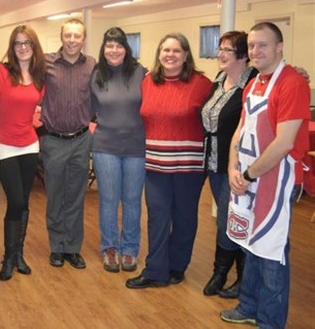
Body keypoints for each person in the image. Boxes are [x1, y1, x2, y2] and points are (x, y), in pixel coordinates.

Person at [220, 22, 310, 328]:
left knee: (271, 251)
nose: (256, 51)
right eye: (252, 45)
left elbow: (284, 143)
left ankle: (270, 321)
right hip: (248, 176)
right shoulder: (254, 82)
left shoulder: (293, 83)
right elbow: (240, 130)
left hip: (276, 179)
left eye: (263, 45)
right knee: (249, 242)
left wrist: (247, 174)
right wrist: (233, 167)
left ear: (280, 47)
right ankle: (249, 305)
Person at [126, 33, 212, 289]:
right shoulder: (147, 82)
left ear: (186, 55)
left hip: (189, 165)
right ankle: (155, 269)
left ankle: (177, 266)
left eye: (176, 50)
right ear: (159, 53)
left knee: (184, 216)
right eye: (166, 50)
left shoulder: (202, 83)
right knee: (157, 217)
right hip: (155, 163)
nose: (170, 55)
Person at [0, 25, 46, 280]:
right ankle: (8, 257)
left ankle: (18, 254)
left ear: (34, 46)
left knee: (24, 200)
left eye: (27, 43)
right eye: (18, 43)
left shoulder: (40, 76)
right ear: (12, 47)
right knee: (16, 201)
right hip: (4, 144)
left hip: (30, 143)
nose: (22, 47)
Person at [201, 31, 255, 297]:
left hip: (237, 168)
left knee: (232, 220)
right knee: (226, 220)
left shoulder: (253, 83)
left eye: (228, 50)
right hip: (214, 163)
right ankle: (224, 273)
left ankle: (233, 276)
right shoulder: (219, 80)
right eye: (220, 48)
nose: (220, 54)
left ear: (244, 55)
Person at [90, 27, 147, 273]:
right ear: (103, 49)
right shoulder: (96, 75)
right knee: (109, 200)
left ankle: (130, 249)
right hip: (105, 148)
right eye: (109, 46)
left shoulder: (140, 73)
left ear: (126, 48)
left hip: (136, 147)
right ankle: (110, 248)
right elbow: (88, 110)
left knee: (133, 201)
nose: (114, 50)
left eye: (119, 45)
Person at [42, 18, 96, 269]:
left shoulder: (93, 65)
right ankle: (56, 246)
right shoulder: (45, 63)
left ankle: (72, 248)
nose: (72, 40)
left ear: (83, 39)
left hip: (82, 139)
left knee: (76, 196)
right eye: (68, 35)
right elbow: (18, 73)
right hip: (53, 140)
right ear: (61, 37)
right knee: (55, 196)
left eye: (77, 36)